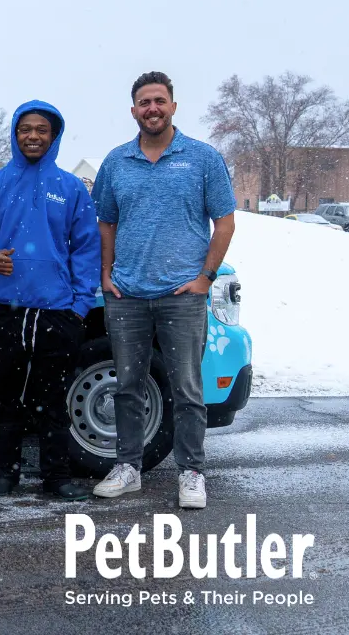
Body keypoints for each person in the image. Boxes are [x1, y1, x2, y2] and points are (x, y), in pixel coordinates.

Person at [91, 71, 236, 509]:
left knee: (187, 390)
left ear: (173, 106)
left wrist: (205, 278)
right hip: (128, 296)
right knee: (127, 386)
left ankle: (191, 473)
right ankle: (128, 467)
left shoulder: (202, 158)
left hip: (182, 296)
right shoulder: (116, 162)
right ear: (133, 110)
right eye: (144, 102)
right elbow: (105, 223)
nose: (151, 108)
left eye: (159, 100)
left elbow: (225, 222)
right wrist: (106, 274)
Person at [0, 100, 100, 501]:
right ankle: (6, 475)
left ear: (53, 136)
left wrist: (79, 307)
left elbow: (87, 249)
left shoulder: (71, 188)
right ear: (15, 134)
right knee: (3, 397)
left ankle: (56, 477)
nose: (33, 136)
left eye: (42, 130)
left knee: (51, 400)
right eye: (26, 129)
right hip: (4, 310)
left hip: (56, 312)